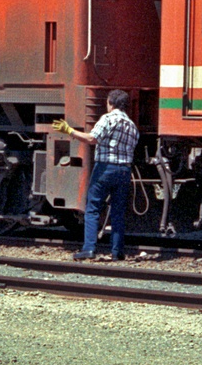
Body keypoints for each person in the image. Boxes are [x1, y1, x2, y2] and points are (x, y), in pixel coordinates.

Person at [52, 89, 139, 261]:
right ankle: (117, 252)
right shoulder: (132, 125)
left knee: (92, 208)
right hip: (124, 171)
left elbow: (92, 138)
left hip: (105, 168)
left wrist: (69, 131)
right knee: (118, 213)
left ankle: (89, 248)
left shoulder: (107, 119)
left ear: (111, 102)